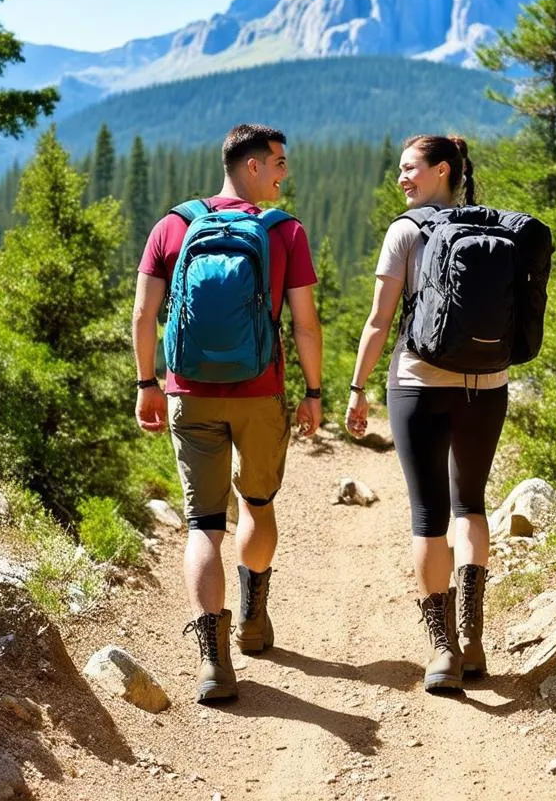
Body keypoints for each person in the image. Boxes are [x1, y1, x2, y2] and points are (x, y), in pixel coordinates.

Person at [132, 123, 322, 704]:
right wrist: (314, 392)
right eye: (279, 163)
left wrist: (148, 384)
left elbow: (144, 315)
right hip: (260, 393)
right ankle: (252, 619)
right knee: (258, 504)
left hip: (188, 391)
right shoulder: (285, 231)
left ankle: (213, 665)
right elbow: (305, 324)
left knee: (203, 524)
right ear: (252, 165)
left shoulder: (174, 224)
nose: (285, 173)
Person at [345, 135, 507, 692]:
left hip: (418, 383)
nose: (401, 179)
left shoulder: (405, 231)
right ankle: (474, 639)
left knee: (427, 516)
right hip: (488, 385)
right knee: (470, 506)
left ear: (442, 170)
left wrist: (357, 386)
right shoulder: (496, 229)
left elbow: (378, 320)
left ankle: (442, 651)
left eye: (410, 169)